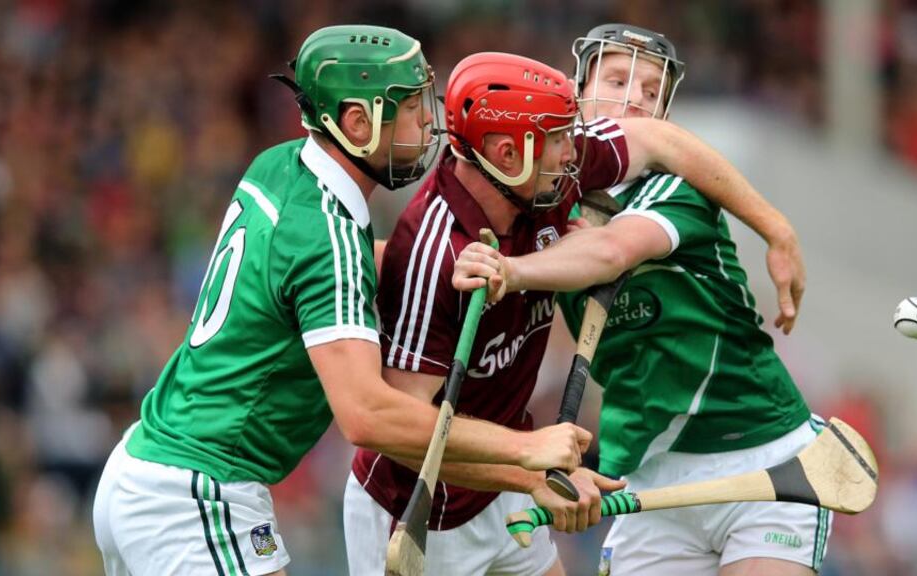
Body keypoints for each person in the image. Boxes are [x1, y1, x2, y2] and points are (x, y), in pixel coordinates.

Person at [91, 26, 592, 576]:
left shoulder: (282, 166)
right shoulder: (324, 236)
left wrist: (442, 264)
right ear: (357, 122)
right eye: (409, 107)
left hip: (149, 472)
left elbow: (329, 268)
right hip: (195, 494)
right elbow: (366, 415)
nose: (428, 123)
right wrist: (525, 454)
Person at [345, 50, 806, 576]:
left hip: (507, 485)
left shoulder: (537, 173)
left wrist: (776, 229)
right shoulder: (437, 255)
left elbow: (658, 140)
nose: (573, 153)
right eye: (559, 140)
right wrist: (530, 470)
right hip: (421, 512)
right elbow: (403, 436)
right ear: (506, 153)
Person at [453, 24, 830, 576]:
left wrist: (508, 271)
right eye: (617, 78)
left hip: (761, 457)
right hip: (651, 476)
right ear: (576, 92)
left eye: (651, 90)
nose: (634, 97)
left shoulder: (680, 188)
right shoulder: (540, 196)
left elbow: (610, 252)